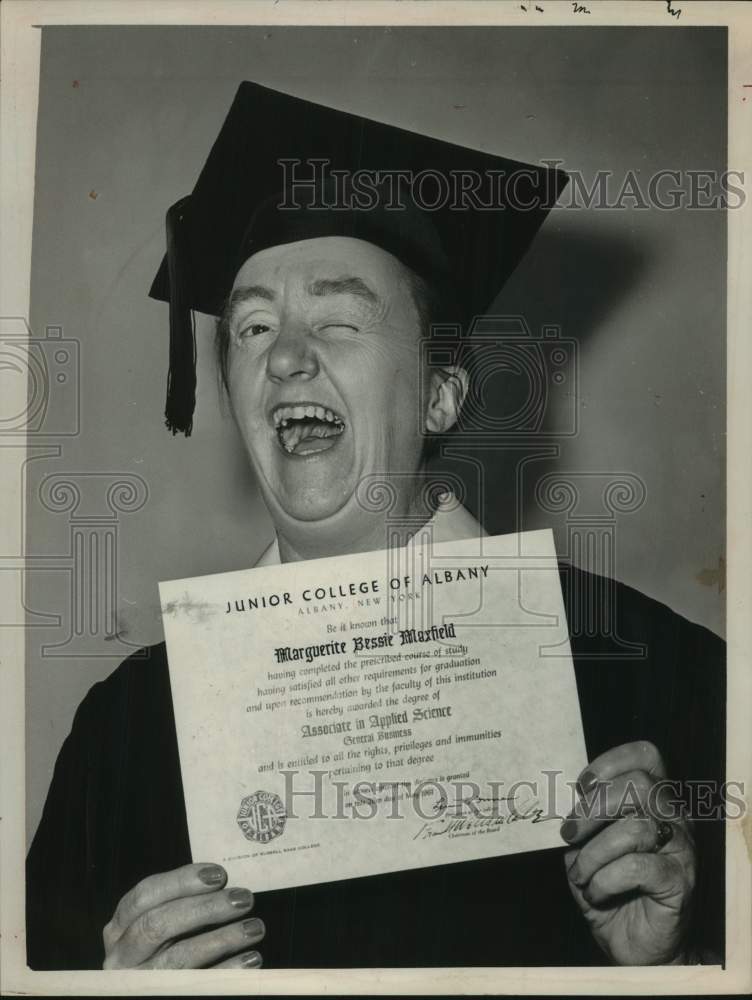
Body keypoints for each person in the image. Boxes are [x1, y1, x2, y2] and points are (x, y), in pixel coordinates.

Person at [26, 82, 725, 971]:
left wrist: (678, 969)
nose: (283, 356)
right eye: (251, 327)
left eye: (339, 318)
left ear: (441, 393)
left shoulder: (665, 678)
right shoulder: (123, 733)